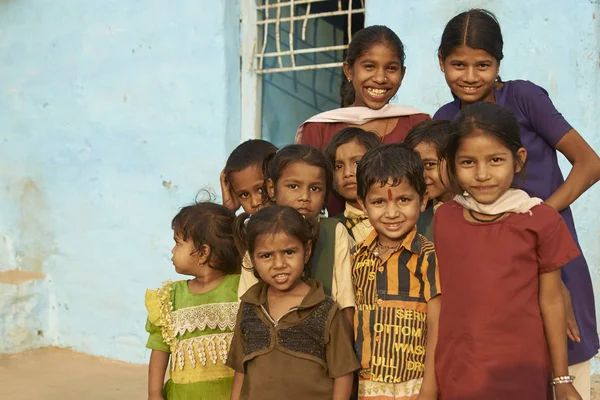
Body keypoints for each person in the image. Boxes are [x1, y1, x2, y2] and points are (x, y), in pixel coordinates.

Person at [433, 9, 600, 397]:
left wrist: (535, 217)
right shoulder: (445, 120)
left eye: (483, 65)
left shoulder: (524, 97)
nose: (470, 76)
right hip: (495, 278)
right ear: (441, 62)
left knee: (564, 375)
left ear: (499, 64)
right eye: (458, 64)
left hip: (551, 256)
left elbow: (590, 164)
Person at [432, 102, 582, 400]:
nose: (482, 174)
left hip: (521, 372)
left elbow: (551, 301)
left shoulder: (540, 220)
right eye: (468, 162)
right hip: (458, 371)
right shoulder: (444, 219)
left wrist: (561, 377)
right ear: (451, 164)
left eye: (496, 160)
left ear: (519, 160)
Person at [227, 205, 360, 400]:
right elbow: (241, 371)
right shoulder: (249, 308)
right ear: (253, 259)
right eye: (266, 256)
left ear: (306, 251)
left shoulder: (325, 310)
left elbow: (343, 373)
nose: (279, 264)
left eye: (289, 252)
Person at [296, 25, 430, 216]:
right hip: (335, 240)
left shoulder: (416, 123)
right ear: (349, 71)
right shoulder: (320, 128)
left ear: (403, 74)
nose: (380, 78)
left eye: (391, 68)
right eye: (369, 66)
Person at [352, 143, 441, 399]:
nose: (392, 213)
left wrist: (430, 390)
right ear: (362, 204)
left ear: (423, 200)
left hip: (416, 387)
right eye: (379, 202)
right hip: (367, 389)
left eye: (404, 200)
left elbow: (438, 326)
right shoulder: (356, 257)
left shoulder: (429, 257)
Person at [237, 144, 356, 323]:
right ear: (271, 188)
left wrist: (344, 349)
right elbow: (246, 308)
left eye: (315, 188)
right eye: (293, 186)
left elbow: (348, 303)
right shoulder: (258, 233)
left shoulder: (334, 232)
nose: (304, 197)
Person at [145, 202, 242, 400]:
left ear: (203, 252)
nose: (172, 250)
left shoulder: (240, 289)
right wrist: (154, 393)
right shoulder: (169, 297)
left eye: (178, 243)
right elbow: (160, 348)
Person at [324, 127, 381, 243]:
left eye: (357, 163)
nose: (347, 173)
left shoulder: (400, 217)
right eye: (338, 166)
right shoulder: (330, 230)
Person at [404, 120, 453, 241]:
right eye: (416, 166)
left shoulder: (477, 211)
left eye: (430, 164)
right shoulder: (416, 217)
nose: (422, 175)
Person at [220, 139, 277, 214]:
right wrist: (229, 210)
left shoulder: (294, 222)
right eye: (245, 195)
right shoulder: (248, 225)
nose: (255, 203)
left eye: (261, 189)